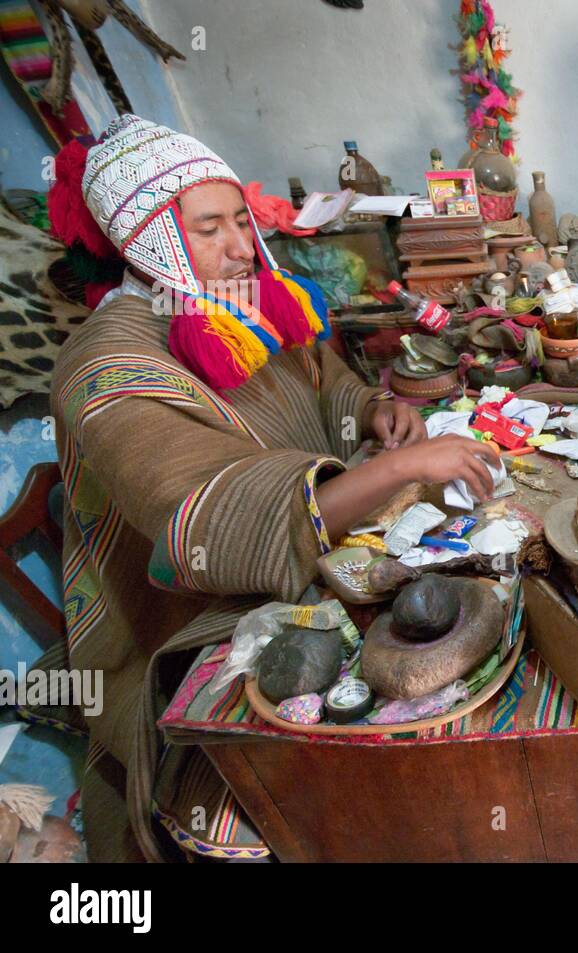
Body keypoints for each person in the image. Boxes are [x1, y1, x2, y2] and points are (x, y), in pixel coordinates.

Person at [46, 115, 499, 860]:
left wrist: (373, 413)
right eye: (209, 228)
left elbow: (328, 388)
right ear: (148, 239)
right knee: (371, 737)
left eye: (240, 224)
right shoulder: (106, 370)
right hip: (199, 615)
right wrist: (395, 470)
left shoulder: (237, 303)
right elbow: (204, 527)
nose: (240, 248)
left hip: (324, 540)